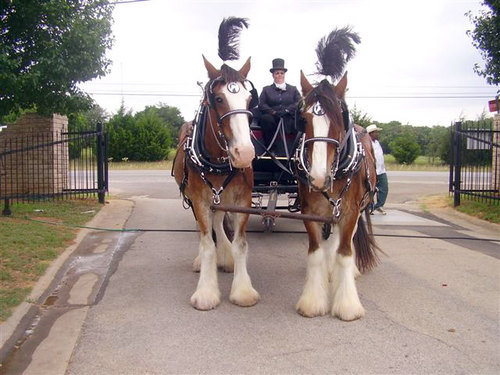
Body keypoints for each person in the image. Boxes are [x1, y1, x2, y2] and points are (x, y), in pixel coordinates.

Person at [258, 58, 301, 151]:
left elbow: (299, 102)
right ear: (273, 75)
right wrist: (273, 112)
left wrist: (288, 110)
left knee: (300, 122)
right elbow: (261, 104)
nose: (279, 75)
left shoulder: (293, 89)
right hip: (273, 117)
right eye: (277, 73)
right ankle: (271, 149)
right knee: (266, 119)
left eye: (282, 73)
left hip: (289, 117)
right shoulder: (266, 89)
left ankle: (296, 149)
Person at [367, 124, 388, 215]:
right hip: (372, 170)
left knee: (384, 188)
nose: (377, 134)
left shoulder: (377, 143)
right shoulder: (367, 142)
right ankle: (369, 207)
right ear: (371, 133)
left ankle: (379, 205)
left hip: (381, 170)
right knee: (371, 189)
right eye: (376, 132)